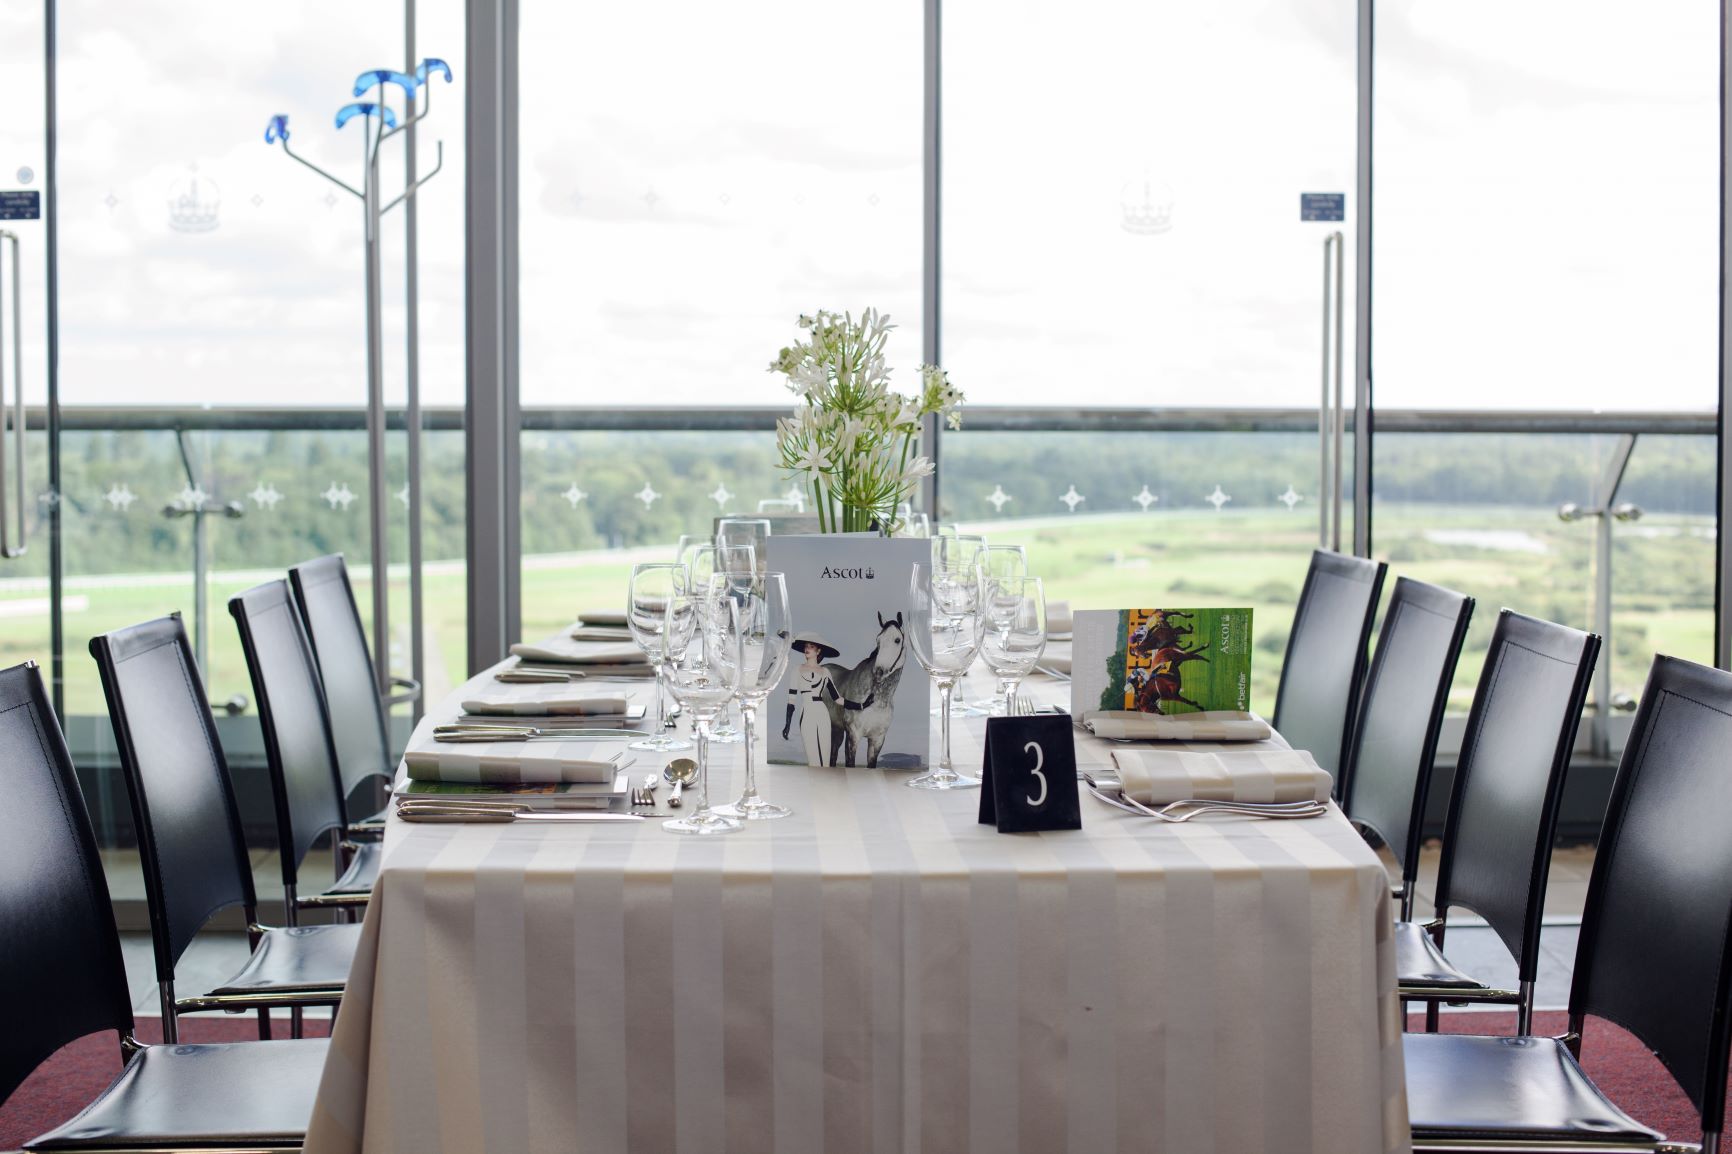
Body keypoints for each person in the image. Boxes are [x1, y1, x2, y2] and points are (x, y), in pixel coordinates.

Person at [781, 633, 874, 767]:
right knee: (813, 759)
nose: (807, 649)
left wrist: (862, 705)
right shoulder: (797, 670)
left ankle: (826, 786)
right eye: (806, 646)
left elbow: (838, 699)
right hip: (806, 713)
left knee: (825, 759)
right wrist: (787, 724)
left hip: (822, 713)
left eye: (811, 647)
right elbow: (791, 700)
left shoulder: (825, 672)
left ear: (818, 651)